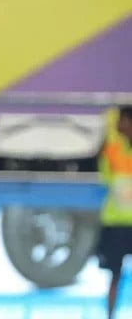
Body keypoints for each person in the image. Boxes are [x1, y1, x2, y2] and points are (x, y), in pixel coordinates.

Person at [97, 105, 132, 319]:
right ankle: (110, 315)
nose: (120, 125)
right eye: (118, 120)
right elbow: (106, 178)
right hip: (115, 223)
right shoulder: (111, 149)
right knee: (114, 275)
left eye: (124, 120)